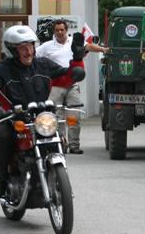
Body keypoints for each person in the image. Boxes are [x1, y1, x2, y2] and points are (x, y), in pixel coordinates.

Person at [0, 25, 75, 197]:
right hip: (13, 119)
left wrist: (78, 59)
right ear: (12, 50)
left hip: (40, 117)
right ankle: (1, 181)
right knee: (3, 135)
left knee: (58, 137)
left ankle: (57, 178)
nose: (28, 52)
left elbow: (66, 76)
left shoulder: (43, 65)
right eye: (23, 48)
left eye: (30, 46)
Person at [35, 19, 109, 154]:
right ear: (54, 31)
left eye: (62, 30)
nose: (59, 32)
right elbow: (34, 56)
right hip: (55, 86)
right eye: (57, 30)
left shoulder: (73, 42)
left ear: (66, 30)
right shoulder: (47, 46)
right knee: (56, 117)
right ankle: (60, 145)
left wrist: (103, 49)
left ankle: (74, 145)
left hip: (72, 85)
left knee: (74, 116)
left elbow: (89, 46)